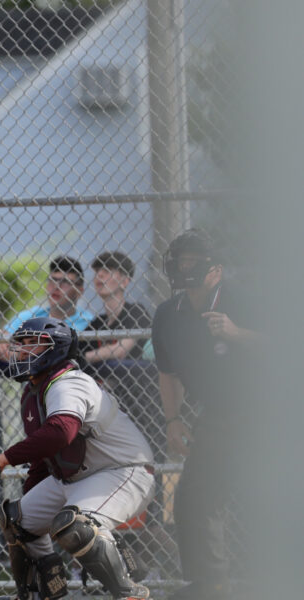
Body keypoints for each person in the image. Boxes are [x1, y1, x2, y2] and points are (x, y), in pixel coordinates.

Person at [0, 317, 154, 600]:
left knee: (75, 527)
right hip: (78, 478)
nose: (24, 351)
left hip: (124, 471)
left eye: (33, 344)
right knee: (16, 519)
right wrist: (30, 506)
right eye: (22, 344)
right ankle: (46, 593)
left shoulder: (68, 382)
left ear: (56, 349)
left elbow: (60, 433)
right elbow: (43, 459)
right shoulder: (32, 391)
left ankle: (129, 593)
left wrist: (3, 459)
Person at [152, 229, 260, 600]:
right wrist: (173, 419)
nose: (186, 267)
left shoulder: (242, 299)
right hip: (219, 415)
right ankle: (211, 587)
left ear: (215, 270)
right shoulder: (168, 314)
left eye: (194, 261)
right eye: (181, 260)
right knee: (194, 499)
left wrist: (236, 332)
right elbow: (167, 373)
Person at [0, 256, 94, 381]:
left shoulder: (89, 322)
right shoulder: (30, 315)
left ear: (79, 290)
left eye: (65, 282)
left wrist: (8, 352)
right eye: (53, 280)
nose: (56, 286)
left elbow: (52, 356)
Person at [81, 251, 151, 364]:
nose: (99, 275)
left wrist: (84, 357)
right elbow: (76, 351)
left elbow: (120, 350)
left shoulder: (136, 311)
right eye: (97, 271)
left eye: (107, 271)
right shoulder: (98, 323)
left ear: (124, 281)